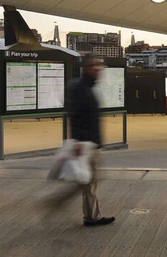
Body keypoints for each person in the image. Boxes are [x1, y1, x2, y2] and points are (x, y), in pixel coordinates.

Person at [46, 54, 115, 227]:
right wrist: (77, 141)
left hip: (91, 143)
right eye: (94, 66)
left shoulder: (88, 87)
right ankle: (64, 205)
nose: (98, 69)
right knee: (86, 180)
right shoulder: (78, 87)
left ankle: (89, 214)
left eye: (100, 66)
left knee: (88, 181)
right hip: (85, 144)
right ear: (85, 67)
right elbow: (75, 116)